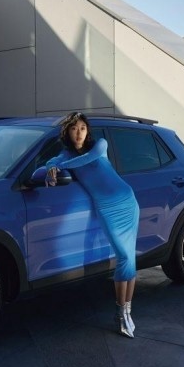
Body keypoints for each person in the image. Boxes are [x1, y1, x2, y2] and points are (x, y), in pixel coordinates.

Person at [43, 112, 140, 338]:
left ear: (88, 131)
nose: (79, 133)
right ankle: (120, 313)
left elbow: (85, 160)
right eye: (74, 128)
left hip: (127, 202)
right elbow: (49, 162)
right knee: (123, 256)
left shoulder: (99, 145)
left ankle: (127, 311)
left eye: (83, 128)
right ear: (67, 132)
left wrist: (59, 165)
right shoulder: (65, 154)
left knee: (129, 257)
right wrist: (50, 167)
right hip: (107, 208)